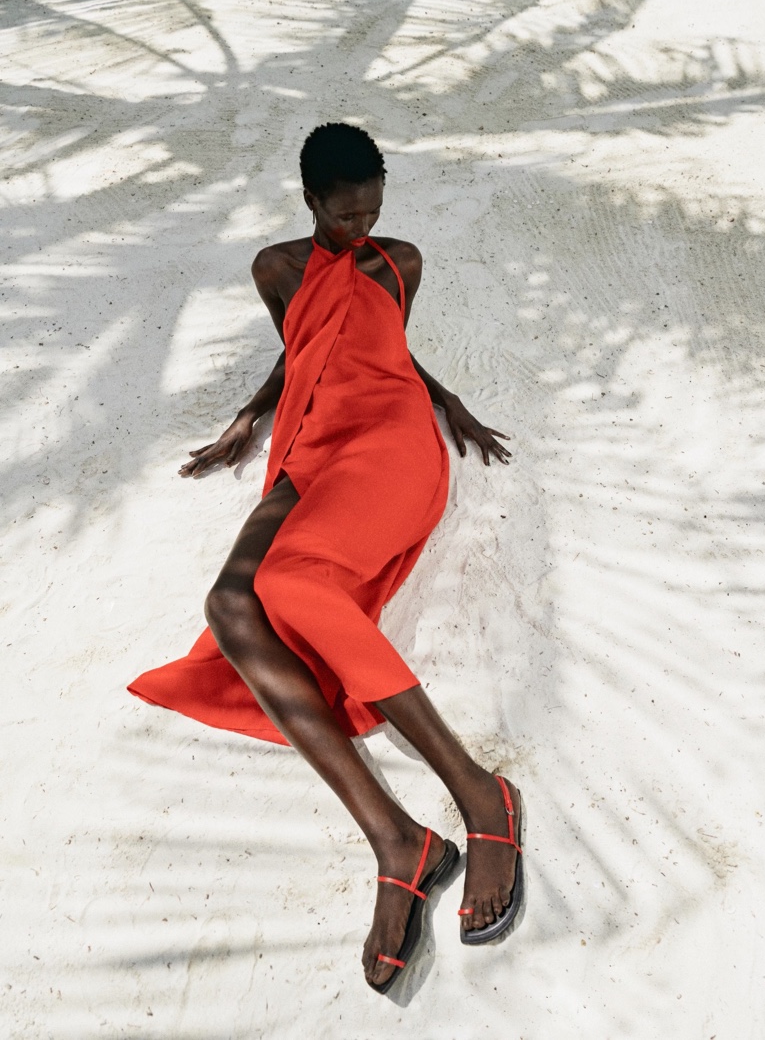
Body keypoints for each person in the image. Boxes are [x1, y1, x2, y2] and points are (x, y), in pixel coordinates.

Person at [129, 123, 523, 994]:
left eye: (373, 209)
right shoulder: (276, 269)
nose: (361, 228)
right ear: (311, 202)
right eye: (345, 216)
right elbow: (304, 346)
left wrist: (446, 397)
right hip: (311, 442)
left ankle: (479, 792)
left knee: (289, 584)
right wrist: (247, 417)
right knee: (230, 610)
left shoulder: (400, 261)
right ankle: (398, 839)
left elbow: (386, 348)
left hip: (388, 441)